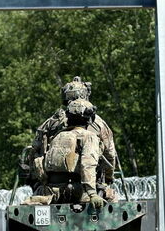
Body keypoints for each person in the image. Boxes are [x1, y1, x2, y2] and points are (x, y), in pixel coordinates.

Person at [20, 76, 118, 205]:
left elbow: (34, 153)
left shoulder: (50, 123)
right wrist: (107, 180)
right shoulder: (97, 124)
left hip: (51, 188)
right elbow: (110, 156)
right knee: (112, 199)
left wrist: (37, 182)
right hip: (87, 188)